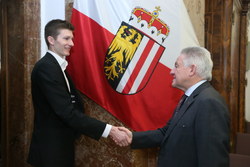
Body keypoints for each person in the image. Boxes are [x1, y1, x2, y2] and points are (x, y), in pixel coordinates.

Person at [27, 19, 129, 167]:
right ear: (51, 40)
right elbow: (67, 112)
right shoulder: (46, 68)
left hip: (60, 147)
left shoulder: (58, 66)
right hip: (50, 152)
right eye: (66, 38)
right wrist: (110, 130)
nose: (72, 43)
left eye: (72, 39)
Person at [118, 46, 230, 167]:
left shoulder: (209, 102)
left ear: (192, 70)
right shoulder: (190, 98)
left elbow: (212, 160)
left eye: (176, 66)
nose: (171, 71)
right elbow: (167, 133)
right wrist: (132, 137)